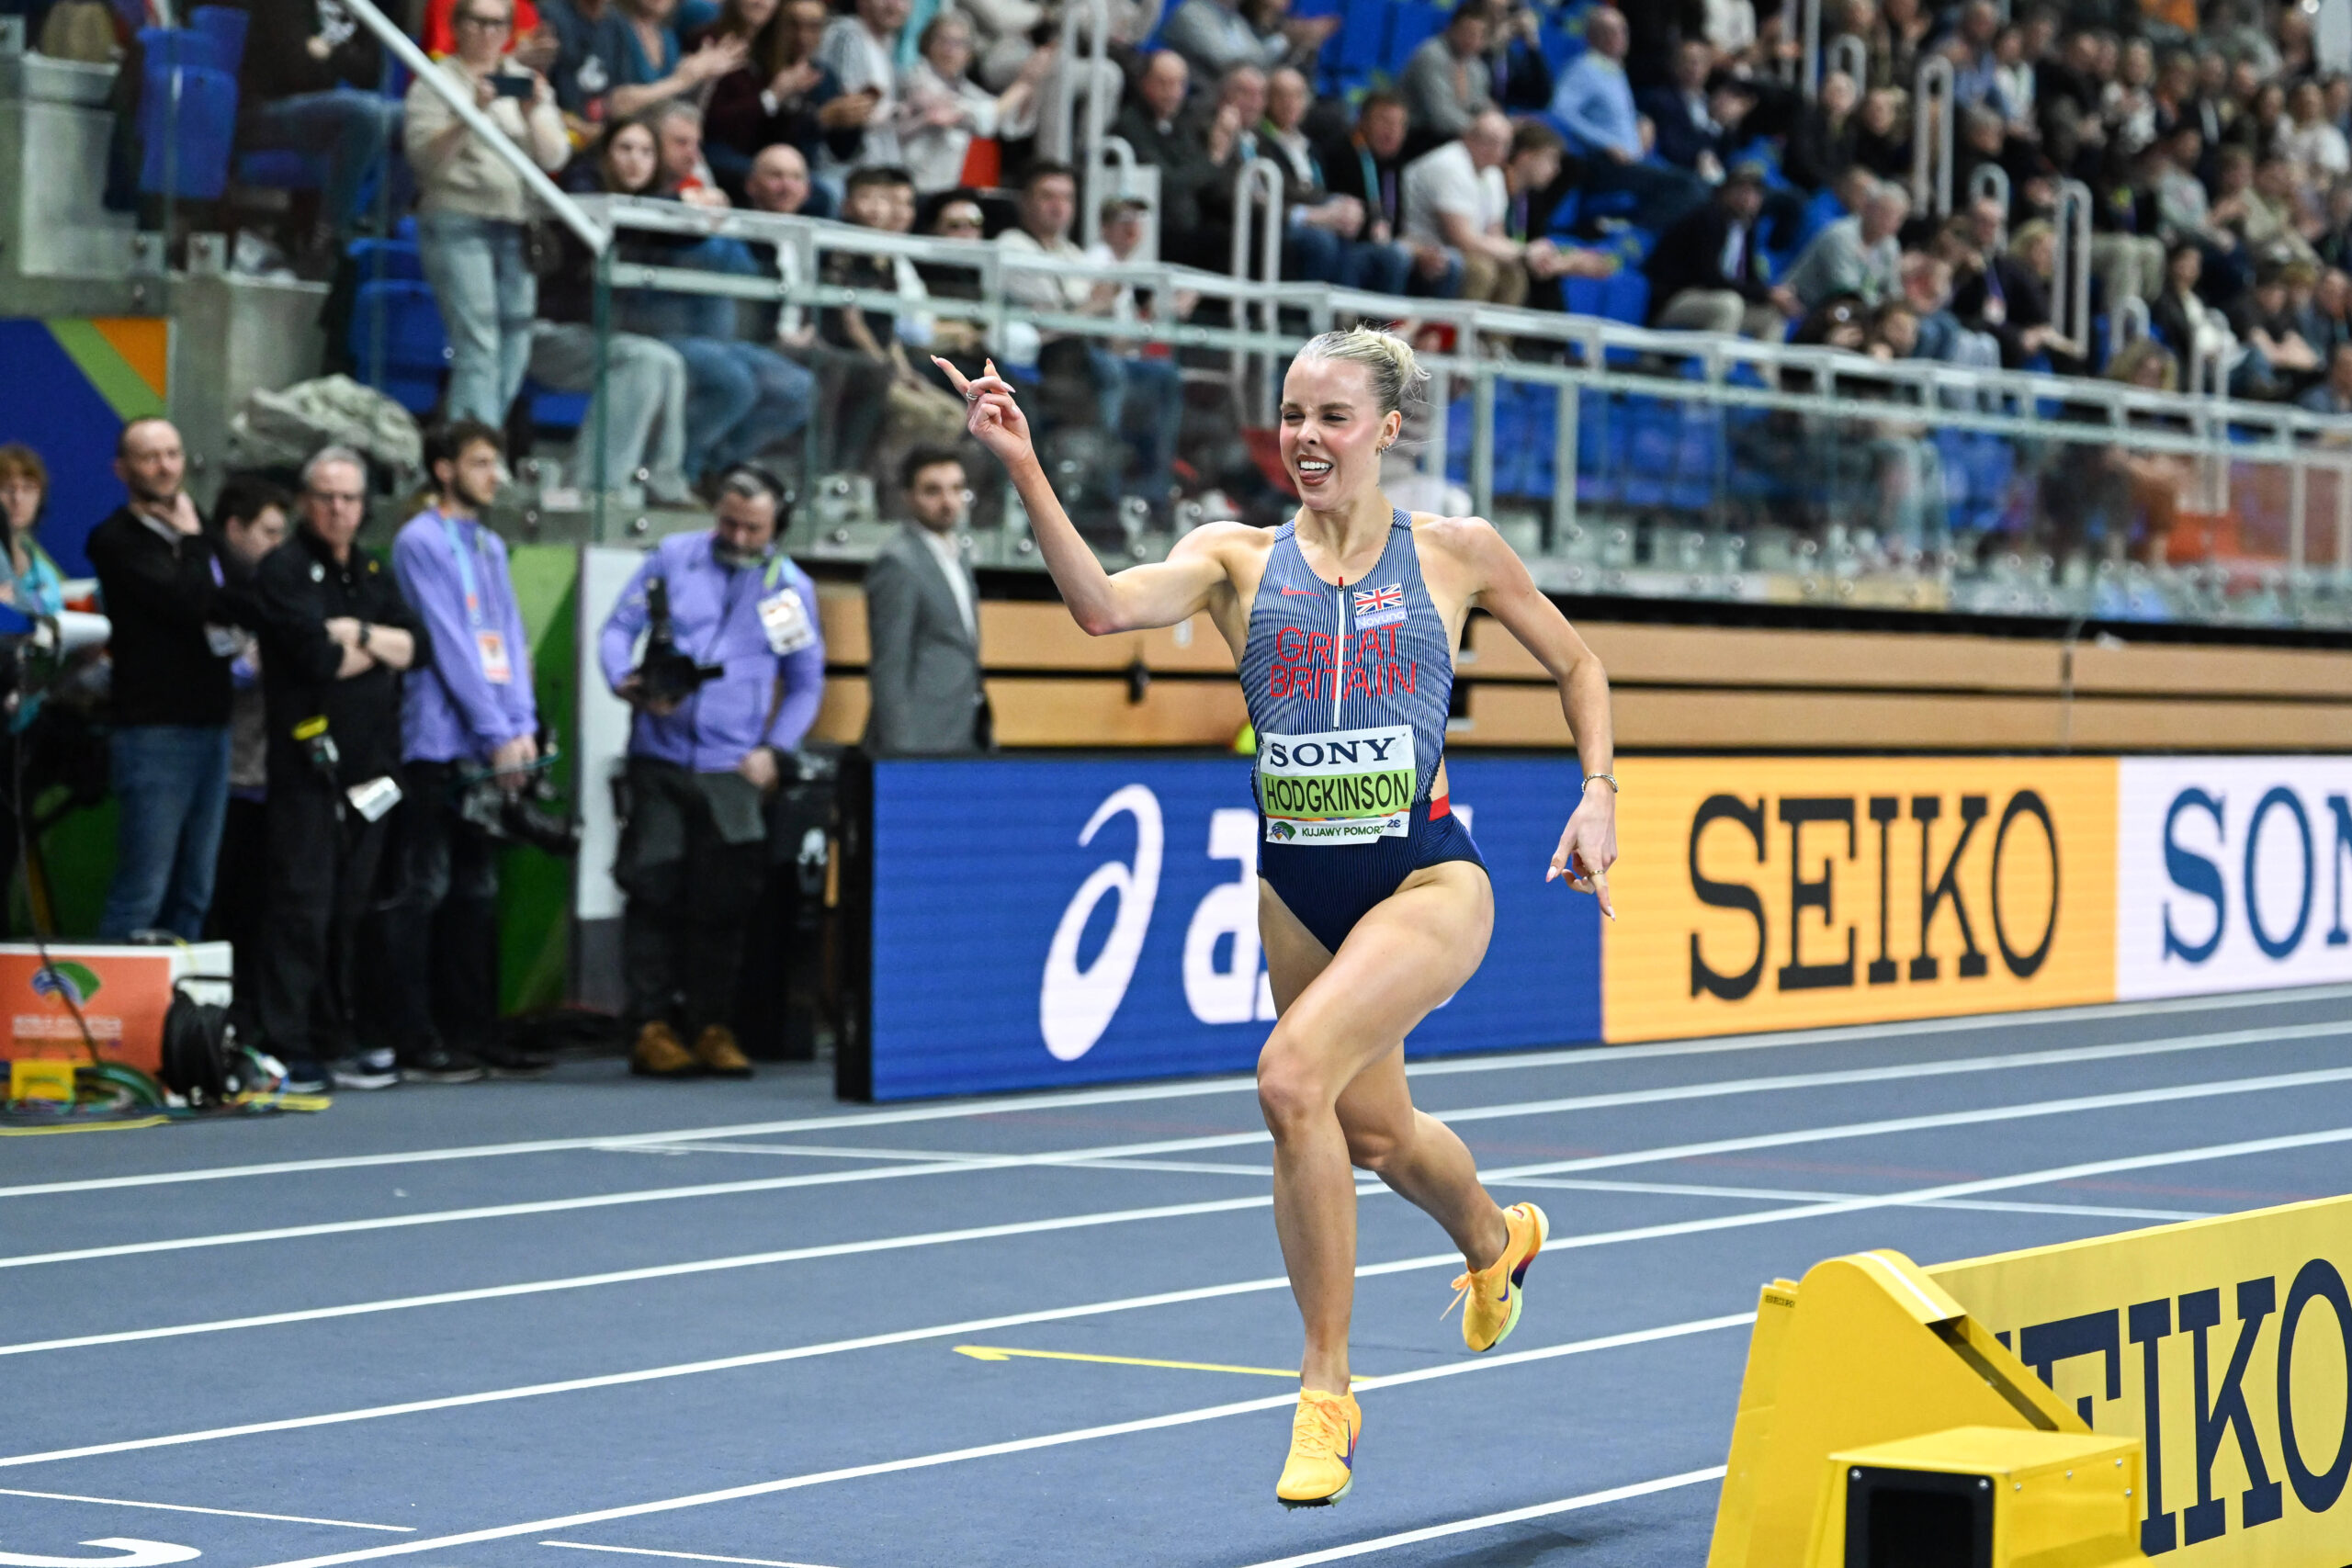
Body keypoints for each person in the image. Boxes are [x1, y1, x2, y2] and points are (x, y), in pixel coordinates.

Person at [935, 328, 1617, 1507]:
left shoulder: (1455, 555)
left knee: (1290, 1080)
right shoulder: (1232, 558)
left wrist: (1595, 795)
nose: (1306, 437)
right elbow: (1099, 609)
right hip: (1294, 881)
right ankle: (1497, 1242)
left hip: (1425, 874)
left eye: (1333, 417)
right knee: (1376, 1133)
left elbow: (1579, 667)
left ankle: (1324, 1395)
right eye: (1292, 414)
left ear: (1387, 429)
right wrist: (1023, 465)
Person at [598, 467, 826, 1077]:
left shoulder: (786, 589)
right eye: (729, 521)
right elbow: (619, 628)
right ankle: (648, 1025)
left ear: (776, 523)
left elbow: (805, 683)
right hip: (660, 755)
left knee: (724, 904)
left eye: (753, 527)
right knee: (653, 890)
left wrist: (774, 750)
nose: (739, 535)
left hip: (734, 768)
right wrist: (623, 679)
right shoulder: (674, 559)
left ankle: (711, 1024)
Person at [250, 448, 424, 1093]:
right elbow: (315, 659)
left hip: (373, 768)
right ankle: (285, 1041)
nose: (338, 508)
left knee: (354, 906)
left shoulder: (373, 569)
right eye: (325, 496)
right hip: (306, 767)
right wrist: (373, 647)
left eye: (349, 497)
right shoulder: (285, 570)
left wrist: (362, 636)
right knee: (301, 903)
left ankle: (338, 1034)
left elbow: (418, 646)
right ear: (303, 500)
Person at [385, 422, 538, 1082]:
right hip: (438, 741)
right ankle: (416, 1033)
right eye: (480, 462)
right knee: (428, 886)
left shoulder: (491, 545)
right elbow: (450, 641)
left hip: (493, 737)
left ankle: (476, 1028)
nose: (494, 475)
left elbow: (507, 633)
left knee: (478, 887)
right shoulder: (421, 541)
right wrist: (495, 728)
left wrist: (523, 723)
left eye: (495, 461)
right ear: (444, 470)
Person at [88, 419, 251, 942]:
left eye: (174, 453)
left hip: (214, 725)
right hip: (155, 730)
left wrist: (197, 539)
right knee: (144, 890)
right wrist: (193, 542)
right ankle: (109, 1019)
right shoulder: (116, 540)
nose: (165, 466)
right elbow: (191, 601)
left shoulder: (193, 524)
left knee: (195, 890)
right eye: (150, 456)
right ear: (123, 469)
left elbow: (243, 594)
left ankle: (181, 1019)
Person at [405, 0, 571, 428]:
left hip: (517, 225)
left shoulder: (524, 82)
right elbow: (424, 159)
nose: (486, 32)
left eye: (497, 23)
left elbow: (555, 154)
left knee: (515, 338)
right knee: (478, 339)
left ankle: (482, 441)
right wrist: (470, 114)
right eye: (477, 21)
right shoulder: (436, 81)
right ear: (457, 26)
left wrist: (533, 113)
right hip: (457, 219)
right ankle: (473, 444)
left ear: (510, 31)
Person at [998, 161, 1186, 516]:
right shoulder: (1012, 246)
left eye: (1066, 198)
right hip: (1041, 358)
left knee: (1163, 375)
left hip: (1083, 352)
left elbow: (1080, 314)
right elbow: (1056, 319)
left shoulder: (1071, 254)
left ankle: (1153, 488)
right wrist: (1093, 305)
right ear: (1025, 202)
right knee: (1108, 373)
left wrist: (1088, 308)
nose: (1058, 206)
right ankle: (1103, 491)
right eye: (1047, 196)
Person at [204, 479, 291, 1050]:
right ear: (234, 530)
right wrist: (253, 663)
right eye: (268, 532)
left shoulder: (277, 588)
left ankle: (251, 1020)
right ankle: (204, 1021)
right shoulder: (208, 586)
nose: (279, 544)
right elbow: (209, 668)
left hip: (269, 775)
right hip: (220, 771)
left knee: (258, 906)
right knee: (215, 900)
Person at [237, 0, 403, 270]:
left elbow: (372, 72)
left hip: (321, 113)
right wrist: (345, 58)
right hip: (263, 112)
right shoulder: (286, 6)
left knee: (407, 118)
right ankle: (328, 237)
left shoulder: (359, 7)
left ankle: (375, 227)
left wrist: (330, 54)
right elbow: (299, 70)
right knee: (365, 112)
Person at [864, 446, 985, 756]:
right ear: (907, 496)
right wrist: (899, 750)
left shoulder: (959, 554)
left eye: (957, 489)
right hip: (917, 737)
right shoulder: (898, 562)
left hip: (960, 729)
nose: (948, 502)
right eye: (933, 491)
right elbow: (890, 664)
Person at [1548, 7, 1706, 231]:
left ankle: (1626, 228)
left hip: (1631, 160)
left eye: (1622, 30)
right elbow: (1560, 112)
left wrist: (1641, 121)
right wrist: (1606, 144)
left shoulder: (1615, 71)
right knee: (1687, 186)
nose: (1619, 37)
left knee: (1701, 188)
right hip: (1604, 163)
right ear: (1592, 36)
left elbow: (1613, 115)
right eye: (1609, 31)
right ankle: (1632, 233)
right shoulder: (1584, 68)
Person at [1259, 67, 1410, 294]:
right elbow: (1284, 193)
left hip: (1334, 226)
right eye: (1282, 95)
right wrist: (1333, 211)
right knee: (1326, 242)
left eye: (1298, 96)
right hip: (1288, 224)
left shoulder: (1309, 148)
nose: (1290, 103)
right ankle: (1319, 323)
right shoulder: (1261, 141)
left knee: (1395, 256)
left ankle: (1378, 327)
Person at [703, 0, 872, 193]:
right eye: (793, 25)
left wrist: (852, 119)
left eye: (813, 27)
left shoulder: (822, 76)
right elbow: (727, 130)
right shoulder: (752, 64)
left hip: (800, 170)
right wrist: (779, 97)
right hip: (743, 158)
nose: (802, 36)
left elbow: (842, 151)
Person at [1320, 91, 1459, 297]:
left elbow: (1395, 227)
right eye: (1384, 121)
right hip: (1348, 246)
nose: (1392, 131)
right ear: (1363, 121)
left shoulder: (1395, 164)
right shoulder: (1340, 153)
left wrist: (1420, 252)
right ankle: (1380, 327)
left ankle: (1426, 328)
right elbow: (1346, 220)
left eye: (1400, 124)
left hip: (1385, 245)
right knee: (1396, 257)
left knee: (1449, 261)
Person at [895, 10, 1046, 195]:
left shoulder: (965, 88)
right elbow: (975, 117)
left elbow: (1007, 122)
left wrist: (1033, 84)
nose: (950, 50)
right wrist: (1023, 84)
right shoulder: (917, 78)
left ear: (969, 53)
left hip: (943, 189)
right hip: (906, 185)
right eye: (943, 41)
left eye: (959, 44)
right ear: (927, 44)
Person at [1645, 164, 1798, 338]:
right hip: (1675, 299)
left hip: (1713, 299)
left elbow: (1749, 276)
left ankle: (1766, 366)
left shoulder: (1746, 228)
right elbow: (1712, 278)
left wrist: (1774, 295)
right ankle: (1716, 366)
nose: (1747, 198)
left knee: (1773, 314)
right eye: (1741, 190)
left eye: (1755, 193)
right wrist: (1766, 293)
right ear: (1725, 192)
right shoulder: (1707, 219)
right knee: (1729, 304)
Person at [1401, 110, 1522, 307]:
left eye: (1504, 144)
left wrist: (1522, 255)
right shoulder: (1449, 164)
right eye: (1489, 141)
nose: (1496, 150)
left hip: (1454, 248)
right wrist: (1523, 253)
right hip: (1421, 246)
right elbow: (1461, 239)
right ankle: (1457, 336)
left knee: (1514, 274)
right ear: (1468, 137)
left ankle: (1494, 338)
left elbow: (1495, 235)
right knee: (1481, 270)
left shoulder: (1493, 175)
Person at [814, 0, 910, 179]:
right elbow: (849, 106)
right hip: (841, 168)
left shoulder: (887, 44)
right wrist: (898, 111)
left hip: (877, 169)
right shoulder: (846, 34)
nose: (895, 6)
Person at [1783, 177, 1908, 309]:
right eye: (1884, 212)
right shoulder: (1841, 236)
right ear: (1867, 208)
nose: (1889, 221)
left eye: (1897, 217)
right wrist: (1882, 307)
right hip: (1797, 305)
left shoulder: (1890, 245)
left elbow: (1894, 291)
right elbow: (1848, 292)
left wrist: (1896, 308)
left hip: (1841, 313)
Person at [1399, 2, 1493, 146]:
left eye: (1477, 35)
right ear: (1451, 29)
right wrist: (1481, 131)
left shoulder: (1477, 67)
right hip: (1419, 135)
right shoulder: (1431, 55)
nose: (1470, 40)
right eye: (1466, 32)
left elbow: (1479, 105)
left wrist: (1498, 122)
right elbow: (1440, 116)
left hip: (1454, 137)